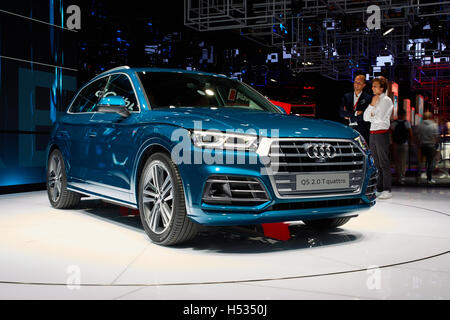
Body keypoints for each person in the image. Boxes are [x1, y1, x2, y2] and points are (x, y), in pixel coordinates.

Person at [363, 77, 394, 199]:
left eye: (375, 86)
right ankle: (380, 188)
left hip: (382, 133)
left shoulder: (386, 100)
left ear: (382, 88)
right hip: (373, 133)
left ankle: (387, 189)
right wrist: (371, 105)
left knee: (384, 162)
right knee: (376, 163)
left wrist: (372, 114)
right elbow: (366, 117)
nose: (373, 88)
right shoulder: (374, 100)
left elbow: (380, 118)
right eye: (373, 86)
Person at [339, 74, 372, 143]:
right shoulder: (346, 96)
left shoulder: (368, 98)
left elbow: (365, 115)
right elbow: (342, 113)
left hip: (362, 129)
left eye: (359, 83)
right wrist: (356, 113)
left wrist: (349, 116)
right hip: (347, 128)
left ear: (364, 85)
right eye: (355, 82)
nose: (356, 84)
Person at [391, 108, 412, 184]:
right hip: (404, 143)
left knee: (396, 161)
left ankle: (397, 176)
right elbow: (410, 134)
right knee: (403, 160)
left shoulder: (394, 123)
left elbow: (391, 133)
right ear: (404, 115)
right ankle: (402, 177)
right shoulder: (407, 123)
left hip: (396, 144)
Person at [417, 112, 440, 184]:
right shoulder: (434, 125)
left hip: (422, 145)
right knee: (430, 162)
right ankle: (429, 179)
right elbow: (436, 136)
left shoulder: (420, 125)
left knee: (420, 162)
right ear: (431, 117)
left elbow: (418, 135)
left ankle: (418, 178)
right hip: (431, 146)